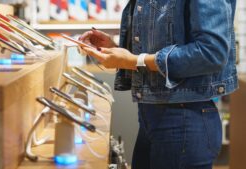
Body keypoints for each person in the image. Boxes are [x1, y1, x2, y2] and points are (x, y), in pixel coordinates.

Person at [80, 0, 238, 168]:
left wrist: (134, 61)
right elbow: (162, 44)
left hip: (185, 116)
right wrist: (115, 49)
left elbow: (211, 53)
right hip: (153, 114)